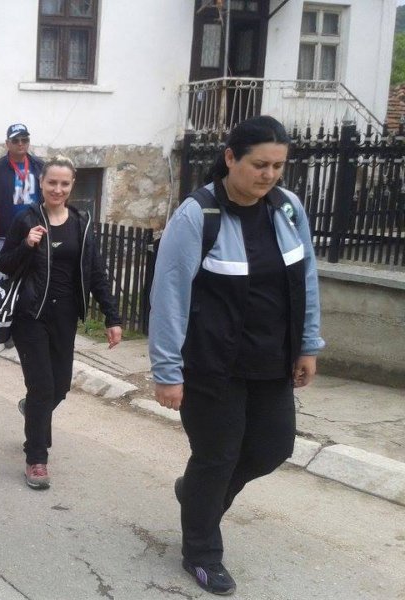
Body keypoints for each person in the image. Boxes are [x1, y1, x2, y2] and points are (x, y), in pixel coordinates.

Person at [148, 115, 325, 596]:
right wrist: (167, 371)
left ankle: (195, 498)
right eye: (259, 164)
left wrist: (308, 344)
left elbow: (306, 278)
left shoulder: (287, 209)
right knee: (217, 457)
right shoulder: (197, 216)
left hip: (272, 360)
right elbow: (169, 296)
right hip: (212, 366)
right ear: (230, 158)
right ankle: (201, 552)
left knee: (273, 448)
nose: (269, 175)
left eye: (278, 166)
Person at [0, 155, 122, 490]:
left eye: (64, 183)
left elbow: (96, 272)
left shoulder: (81, 222)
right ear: (41, 183)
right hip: (31, 316)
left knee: (60, 387)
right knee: (42, 387)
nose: (58, 189)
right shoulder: (26, 219)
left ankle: (33, 411)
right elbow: (5, 264)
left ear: (72, 185)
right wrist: (27, 245)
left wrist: (112, 316)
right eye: (52, 182)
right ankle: (36, 458)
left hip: (65, 316)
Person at [0, 123, 44, 258]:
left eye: (24, 140)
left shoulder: (39, 166)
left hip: (36, 233)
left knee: (35, 270)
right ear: (7, 143)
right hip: (5, 236)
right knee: (6, 271)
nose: (20, 144)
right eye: (15, 140)